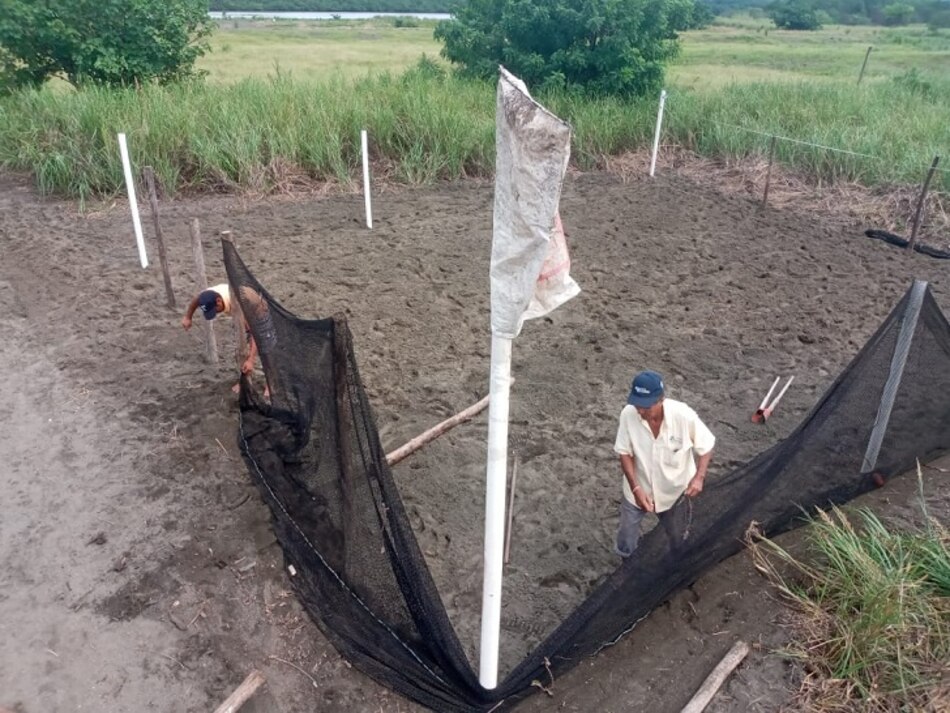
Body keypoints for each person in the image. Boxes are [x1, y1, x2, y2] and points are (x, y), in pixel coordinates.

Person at [613, 370, 715, 559]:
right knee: (626, 538)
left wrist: (699, 478)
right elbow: (624, 452)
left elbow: (706, 445)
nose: (640, 411)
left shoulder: (684, 416)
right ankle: (626, 564)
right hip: (637, 488)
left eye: (646, 406)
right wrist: (636, 489)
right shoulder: (628, 415)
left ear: (660, 400)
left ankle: (678, 561)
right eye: (637, 404)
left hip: (675, 493)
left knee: (678, 537)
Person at [181, 283, 259, 382]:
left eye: (215, 310)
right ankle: (244, 379)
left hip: (256, 308)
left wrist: (251, 360)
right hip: (238, 308)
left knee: (263, 345)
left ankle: (269, 387)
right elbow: (197, 300)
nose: (216, 313)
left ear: (219, 301)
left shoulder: (240, 303)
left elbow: (255, 333)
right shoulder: (206, 295)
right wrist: (188, 317)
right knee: (243, 340)